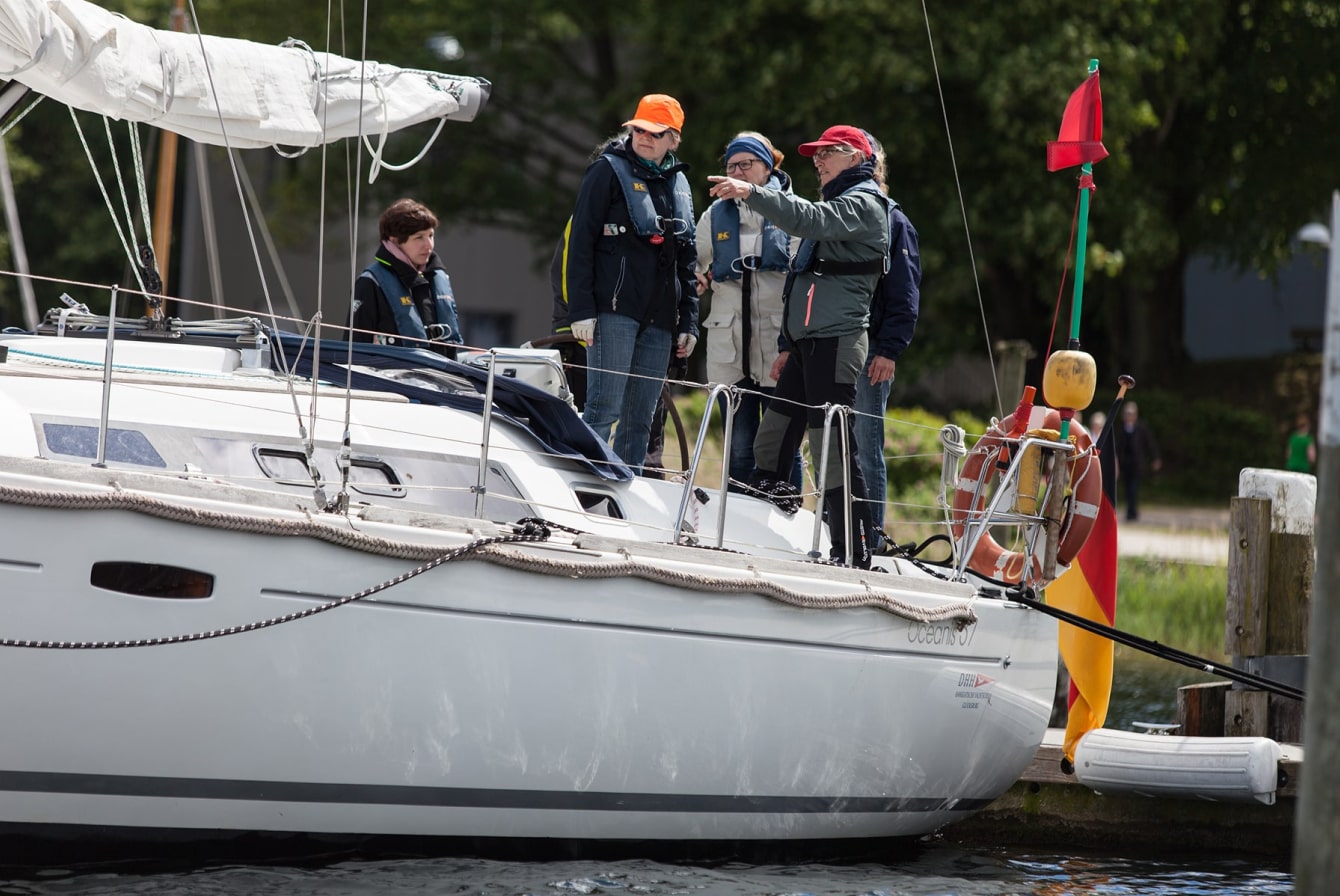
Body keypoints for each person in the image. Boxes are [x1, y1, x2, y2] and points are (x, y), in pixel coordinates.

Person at [708, 125, 890, 568]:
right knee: (772, 440)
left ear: (855, 157)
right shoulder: (839, 203)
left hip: (837, 343)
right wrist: (788, 343)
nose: (818, 161)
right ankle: (761, 532)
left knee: (832, 449)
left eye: (828, 153)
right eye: (816, 155)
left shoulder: (864, 204)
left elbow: (806, 220)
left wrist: (753, 192)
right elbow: (802, 282)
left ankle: (853, 549)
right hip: (808, 344)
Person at [562, 94, 699, 472]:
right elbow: (581, 242)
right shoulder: (606, 170)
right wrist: (583, 310)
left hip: (660, 319)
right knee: (603, 407)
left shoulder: (680, 183)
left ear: (673, 139)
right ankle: (583, 489)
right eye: (638, 129)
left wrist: (688, 322)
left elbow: (687, 260)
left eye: (655, 133)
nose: (644, 137)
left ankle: (625, 496)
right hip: (613, 311)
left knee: (641, 419)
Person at [694, 131, 802, 490]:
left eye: (746, 164)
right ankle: (738, 522)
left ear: (767, 167)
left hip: (778, 344)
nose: (737, 171)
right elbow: (693, 262)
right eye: (731, 166)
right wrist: (696, 277)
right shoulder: (715, 216)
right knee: (737, 447)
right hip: (730, 343)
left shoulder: (793, 211)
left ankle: (786, 517)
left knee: (784, 442)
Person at [851, 130, 920, 538]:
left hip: (873, 351)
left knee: (865, 447)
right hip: (837, 346)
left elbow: (905, 294)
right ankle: (835, 528)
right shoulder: (838, 212)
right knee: (834, 447)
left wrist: (889, 351)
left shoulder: (896, 221)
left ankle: (871, 536)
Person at [351, 198, 463, 351]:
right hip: (387, 374)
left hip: (440, 373)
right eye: (419, 237)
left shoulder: (437, 277)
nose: (428, 245)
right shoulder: (371, 282)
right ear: (395, 241)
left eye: (430, 235)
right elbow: (353, 349)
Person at [1113, 401, 1161, 521]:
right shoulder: (1122, 429)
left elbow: (1150, 444)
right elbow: (1118, 447)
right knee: (1127, 488)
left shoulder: (1141, 427)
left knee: (1133, 488)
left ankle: (1132, 512)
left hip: (1137, 464)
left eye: (1131, 413)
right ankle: (1130, 511)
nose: (1129, 416)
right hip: (1126, 464)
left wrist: (1155, 458)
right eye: (1127, 413)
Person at [1087, 410, 1118, 506]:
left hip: (1103, 469)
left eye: (1099, 425)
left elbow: (1112, 456)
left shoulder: (1105, 439)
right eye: (1095, 425)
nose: (1096, 427)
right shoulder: (1088, 435)